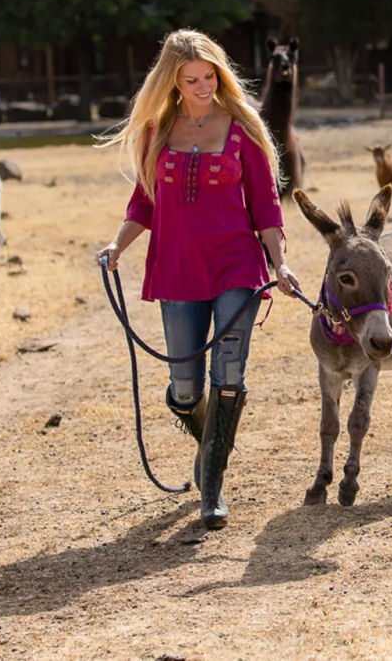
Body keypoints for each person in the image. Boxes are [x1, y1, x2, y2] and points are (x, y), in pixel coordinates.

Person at [97, 29, 300, 530]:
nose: (204, 86)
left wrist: (281, 264)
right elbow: (144, 202)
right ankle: (214, 440)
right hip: (178, 268)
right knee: (185, 390)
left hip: (237, 265)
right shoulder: (156, 133)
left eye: (210, 76)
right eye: (192, 79)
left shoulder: (242, 129)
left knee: (228, 373)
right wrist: (117, 245)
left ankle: (212, 482)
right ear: (173, 81)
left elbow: (266, 207)